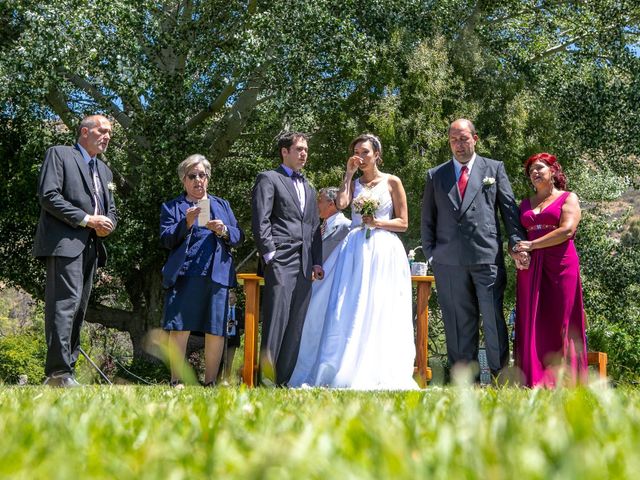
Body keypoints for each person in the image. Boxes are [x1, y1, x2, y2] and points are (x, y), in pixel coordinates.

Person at [290, 133, 418, 390]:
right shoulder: (354, 182)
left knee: (380, 303)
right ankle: (344, 364)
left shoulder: (392, 182)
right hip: (355, 249)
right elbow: (342, 203)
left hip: (383, 248)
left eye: (366, 152)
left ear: (377, 155)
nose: (360, 156)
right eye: (357, 152)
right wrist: (347, 175)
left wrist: (378, 222)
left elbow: (403, 223)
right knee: (349, 303)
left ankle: (379, 366)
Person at [421, 118, 528, 381]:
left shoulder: (494, 168)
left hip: (486, 258)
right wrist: (432, 254)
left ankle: (500, 378)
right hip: (448, 262)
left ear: (475, 138)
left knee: (492, 320)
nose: (459, 144)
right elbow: (427, 219)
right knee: (458, 324)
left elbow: (510, 213)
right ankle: (464, 382)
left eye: (463, 138)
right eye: (454, 140)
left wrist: (516, 242)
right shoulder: (436, 175)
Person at [33, 114, 117, 387]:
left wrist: (108, 224)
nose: (107, 137)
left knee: (79, 309)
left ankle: (66, 372)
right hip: (64, 243)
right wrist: (86, 219)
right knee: (64, 306)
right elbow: (49, 196)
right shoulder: (59, 155)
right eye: (102, 131)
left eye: (110, 133)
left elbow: (111, 209)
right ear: (84, 132)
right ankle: (57, 373)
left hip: (92, 246)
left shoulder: (104, 171)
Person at [160, 154, 244, 388]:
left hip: (216, 274)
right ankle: (176, 381)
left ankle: (210, 383)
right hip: (185, 274)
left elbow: (239, 236)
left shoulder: (222, 204)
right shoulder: (172, 207)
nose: (198, 180)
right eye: (192, 176)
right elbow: (166, 239)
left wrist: (225, 230)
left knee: (216, 329)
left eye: (202, 175)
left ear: (208, 178)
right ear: (184, 181)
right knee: (179, 327)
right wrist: (184, 223)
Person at [251, 132, 324, 386]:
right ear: (285, 151)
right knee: (276, 321)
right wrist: (271, 254)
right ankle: (266, 382)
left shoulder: (309, 187)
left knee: (296, 325)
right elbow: (260, 220)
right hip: (280, 260)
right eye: (299, 149)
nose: (304, 153)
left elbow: (314, 227)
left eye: (306, 149)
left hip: (305, 264)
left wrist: (317, 261)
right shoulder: (269, 178)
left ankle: (282, 382)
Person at [513, 153, 587, 387]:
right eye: (531, 171)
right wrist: (517, 252)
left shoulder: (568, 198)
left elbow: (567, 230)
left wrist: (533, 244)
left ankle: (564, 380)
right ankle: (533, 378)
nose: (534, 173)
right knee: (531, 319)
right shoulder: (525, 203)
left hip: (561, 264)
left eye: (539, 168)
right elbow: (517, 237)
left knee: (559, 320)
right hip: (530, 267)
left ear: (553, 171)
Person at [317, 187, 351, 262]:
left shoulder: (347, 226)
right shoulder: (321, 227)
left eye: (319, 201)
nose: (316, 205)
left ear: (331, 204)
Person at [219, 289, 244, 381]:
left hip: (233, 339)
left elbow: (243, 324)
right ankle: (216, 381)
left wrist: (235, 323)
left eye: (232, 298)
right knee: (220, 361)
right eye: (228, 298)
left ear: (236, 299)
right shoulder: (222, 309)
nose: (229, 299)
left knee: (229, 362)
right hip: (223, 338)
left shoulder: (239, 311)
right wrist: (226, 324)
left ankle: (226, 380)